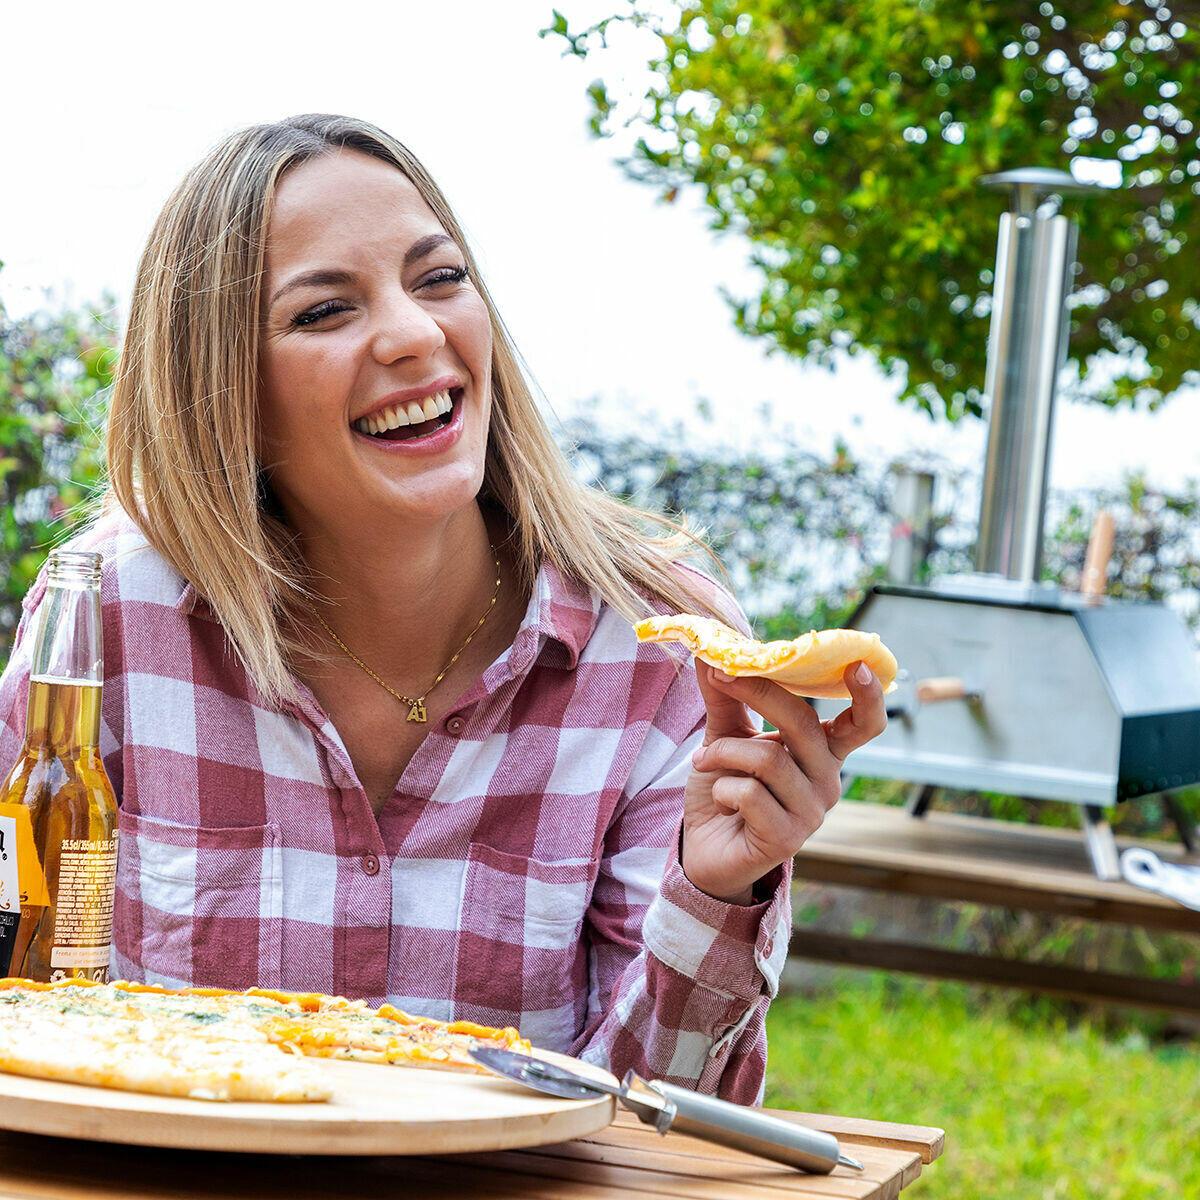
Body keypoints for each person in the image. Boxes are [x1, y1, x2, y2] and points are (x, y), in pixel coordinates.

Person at [0, 114, 886, 1102]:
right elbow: (18, 994)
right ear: (221, 389)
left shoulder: (657, 646)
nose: (418, 334)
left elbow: (654, 1126)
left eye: (440, 278)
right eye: (324, 311)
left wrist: (718, 891)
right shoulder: (111, 614)